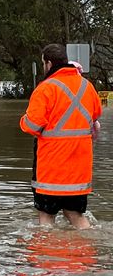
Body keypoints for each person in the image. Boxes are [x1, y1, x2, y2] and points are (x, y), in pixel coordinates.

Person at [20, 44, 103, 229]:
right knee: (75, 215)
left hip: (51, 168)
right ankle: (85, 253)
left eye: (43, 63)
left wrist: (23, 120)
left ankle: (46, 254)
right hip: (79, 168)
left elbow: (32, 126)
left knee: (46, 217)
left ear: (48, 64)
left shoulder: (45, 88)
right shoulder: (87, 86)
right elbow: (96, 114)